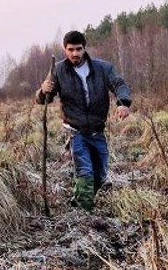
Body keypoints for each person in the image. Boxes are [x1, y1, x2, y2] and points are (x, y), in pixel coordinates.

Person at [36, 30, 132, 211]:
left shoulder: (103, 68)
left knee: (100, 175)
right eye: (70, 49)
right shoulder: (58, 71)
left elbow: (119, 84)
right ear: (65, 50)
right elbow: (43, 100)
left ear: (84, 49)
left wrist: (123, 103)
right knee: (85, 173)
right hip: (75, 132)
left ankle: (79, 198)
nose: (75, 54)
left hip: (98, 130)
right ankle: (84, 215)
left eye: (78, 49)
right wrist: (43, 90)